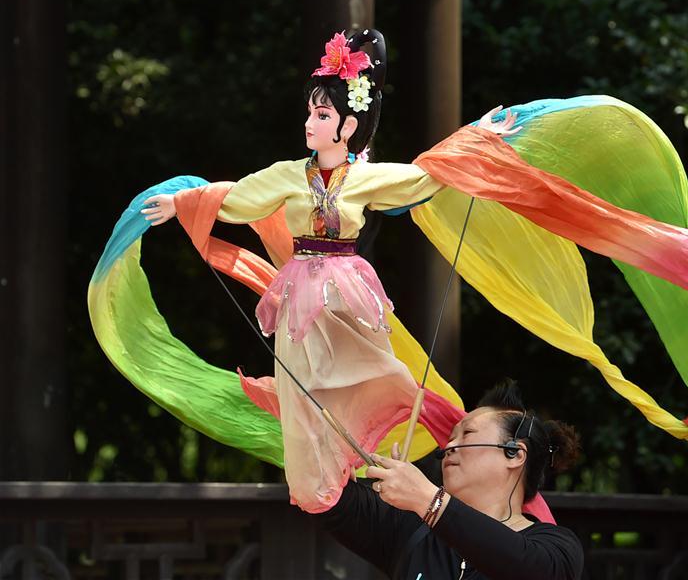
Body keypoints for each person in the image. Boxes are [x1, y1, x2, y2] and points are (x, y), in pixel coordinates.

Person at [138, 29, 520, 513]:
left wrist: (478, 138)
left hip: (348, 290)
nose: (310, 123)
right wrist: (183, 202)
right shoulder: (287, 174)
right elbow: (238, 197)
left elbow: (424, 178)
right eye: (310, 113)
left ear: (348, 126)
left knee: (383, 370)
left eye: (322, 115)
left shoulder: (364, 179)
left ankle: (380, 448)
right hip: (299, 291)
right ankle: (316, 482)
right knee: (302, 390)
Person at [315, 382, 585, 580]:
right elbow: (323, 492)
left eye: (467, 433)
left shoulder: (557, 547)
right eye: (450, 438)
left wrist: (428, 500)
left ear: (514, 453)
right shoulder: (411, 527)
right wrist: (331, 460)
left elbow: (528, 567)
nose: (448, 447)